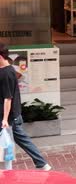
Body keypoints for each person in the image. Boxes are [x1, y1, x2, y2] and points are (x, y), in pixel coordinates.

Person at [0, 43, 51, 171]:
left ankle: (8, 172)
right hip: (13, 116)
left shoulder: (6, 74)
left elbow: (7, 98)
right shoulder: (7, 70)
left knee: (8, 144)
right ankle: (42, 163)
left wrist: (5, 119)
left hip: (10, 117)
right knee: (15, 142)